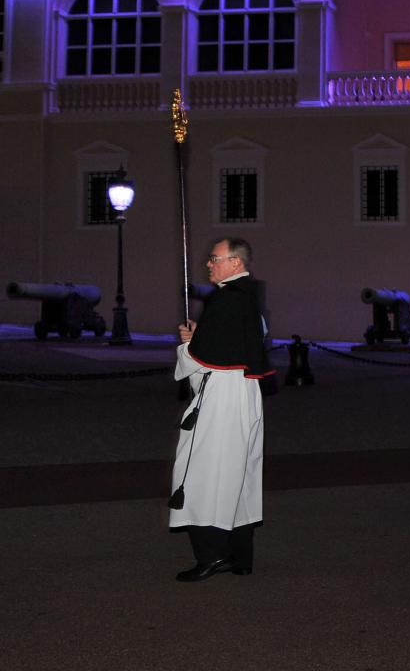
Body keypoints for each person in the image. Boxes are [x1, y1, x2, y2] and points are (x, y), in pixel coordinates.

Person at [170, 237, 270, 582]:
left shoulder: (227, 298)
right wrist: (203, 334)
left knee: (204, 473)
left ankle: (212, 555)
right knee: (239, 474)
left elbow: (201, 358)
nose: (208, 264)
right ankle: (240, 555)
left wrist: (188, 345)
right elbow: (242, 338)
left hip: (223, 396)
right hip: (244, 392)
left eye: (215, 259)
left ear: (236, 263)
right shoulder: (249, 295)